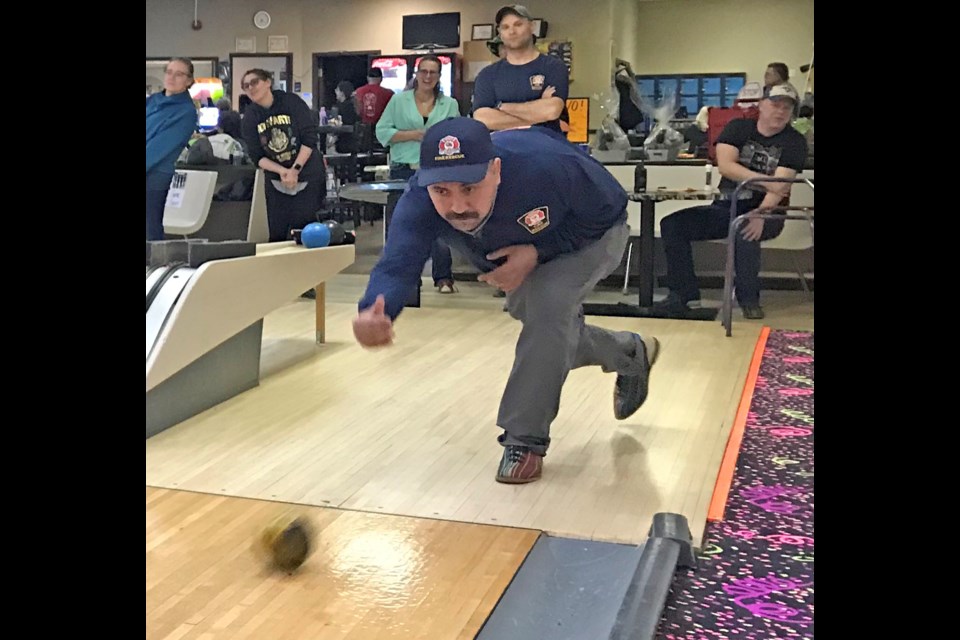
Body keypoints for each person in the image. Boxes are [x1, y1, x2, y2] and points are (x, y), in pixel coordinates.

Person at [353, 117, 661, 484]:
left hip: (590, 236)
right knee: (545, 330)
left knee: (548, 310)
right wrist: (377, 308)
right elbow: (399, 262)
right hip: (516, 247)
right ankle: (629, 353)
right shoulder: (419, 199)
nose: (457, 206)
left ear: (495, 169)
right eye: (442, 192)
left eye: (469, 187)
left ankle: (525, 441)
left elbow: (609, 208)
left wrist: (538, 250)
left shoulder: (548, 166)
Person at [655, 83, 808, 320]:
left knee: (744, 229)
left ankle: (749, 300)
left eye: (787, 108)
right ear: (761, 105)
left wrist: (760, 213)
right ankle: (683, 294)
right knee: (672, 225)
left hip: (770, 211)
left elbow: (780, 188)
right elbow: (726, 166)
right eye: (775, 104)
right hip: (726, 206)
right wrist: (767, 180)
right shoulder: (738, 127)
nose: (780, 112)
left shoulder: (795, 141)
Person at [376, 55, 462, 294]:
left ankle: (443, 276)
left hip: (437, 169)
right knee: (400, 225)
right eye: (423, 71)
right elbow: (382, 131)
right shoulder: (398, 101)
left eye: (433, 72)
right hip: (403, 169)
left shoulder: (450, 104)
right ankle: (402, 279)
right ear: (416, 73)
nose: (427, 77)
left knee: (440, 223)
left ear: (438, 76)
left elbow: (455, 135)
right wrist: (414, 134)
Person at [240, 68, 322, 242]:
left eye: (255, 82)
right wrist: (282, 172)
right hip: (276, 179)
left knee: (305, 229)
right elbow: (257, 156)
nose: (251, 88)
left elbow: (309, 139)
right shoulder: (250, 116)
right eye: (246, 86)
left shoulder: (291, 102)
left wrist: (295, 169)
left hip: (306, 171)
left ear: (268, 82)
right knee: (277, 232)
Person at [471, 4, 569, 135]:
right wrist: (538, 115)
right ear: (500, 33)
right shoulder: (487, 75)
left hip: (546, 149)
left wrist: (501, 107)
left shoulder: (554, 67)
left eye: (518, 24)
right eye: (505, 27)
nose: (512, 31)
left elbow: (551, 110)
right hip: (502, 150)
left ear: (532, 26)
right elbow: (483, 118)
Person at [146, 57, 199, 241]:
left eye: (179, 74)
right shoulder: (152, 101)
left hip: (155, 177)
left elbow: (159, 148)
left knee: (149, 230)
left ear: (189, 80)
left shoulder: (186, 111)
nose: (172, 77)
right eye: (169, 72)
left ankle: (152, 268)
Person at [333, 80, 360, 154]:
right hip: (354, 142)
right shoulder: (353, 104)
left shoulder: (344, 107)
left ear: (342, 93)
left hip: (346, 142)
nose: (335, 91)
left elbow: (341, 124)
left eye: (337, 90)